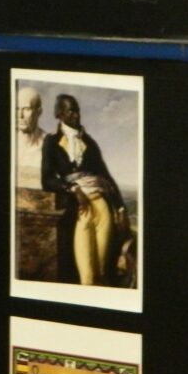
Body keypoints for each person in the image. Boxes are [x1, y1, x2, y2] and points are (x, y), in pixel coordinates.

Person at [41, 93, 127, 287]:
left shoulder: (90, 143)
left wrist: (121, 208)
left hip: (102, 209)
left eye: (77, 111)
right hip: (80, 212)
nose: (77, 116)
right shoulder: (52, 143)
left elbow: (106, 178)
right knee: (86, 277)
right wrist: (73, 188)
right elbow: (46, 180)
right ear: (60, 114)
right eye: (71, 111)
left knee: (102, 271)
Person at [15, 85, 46, 188]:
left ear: (39, 112)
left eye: (26, 109)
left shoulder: (49, 144)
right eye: (17, 108)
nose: (20, 115)